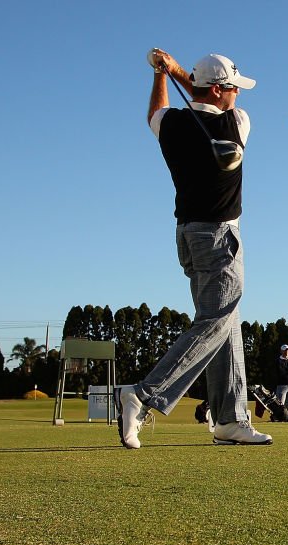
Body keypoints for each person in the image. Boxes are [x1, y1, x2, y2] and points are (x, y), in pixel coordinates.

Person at [113, 49, 271, 448]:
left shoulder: (172, 125)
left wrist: (161, 75)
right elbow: (204, 94)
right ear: (220, 90)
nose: (238, 95)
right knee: (216, 320)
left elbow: (155, 112)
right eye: (233, 88)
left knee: (225, 323)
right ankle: (144, 394)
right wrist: (177, 71)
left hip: (187, 235)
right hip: (220, 238)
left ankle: (230, 419)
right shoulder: (238, 122)